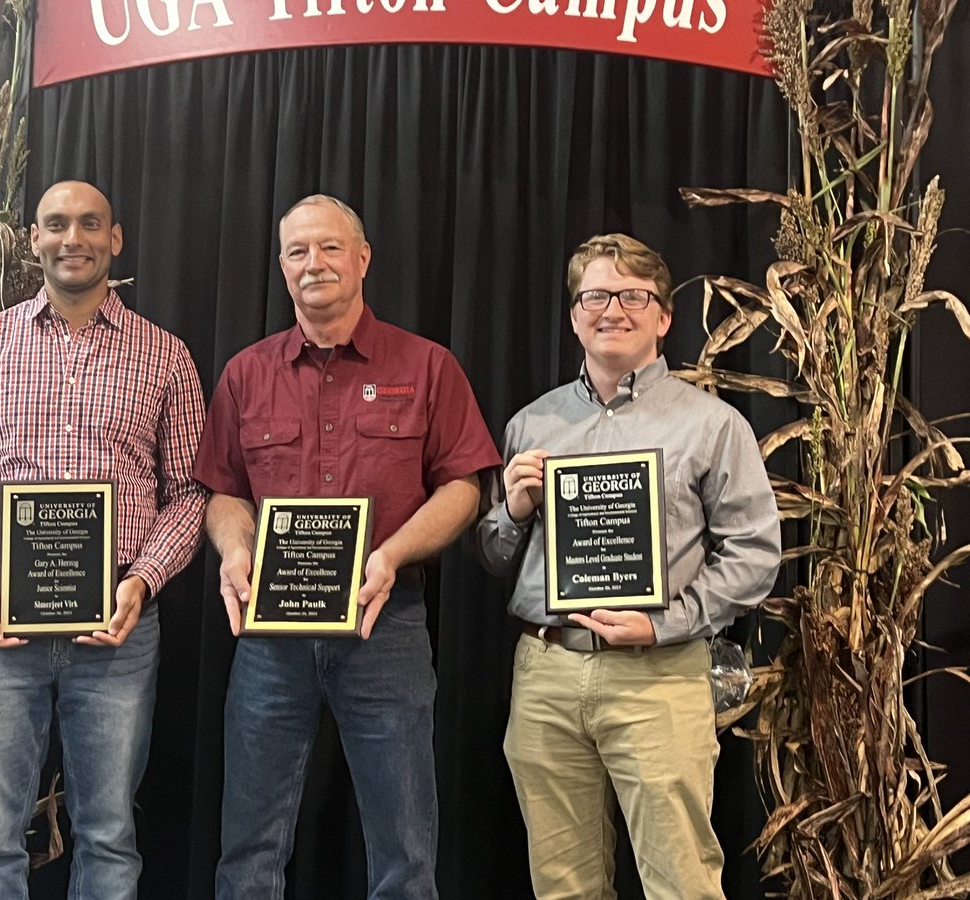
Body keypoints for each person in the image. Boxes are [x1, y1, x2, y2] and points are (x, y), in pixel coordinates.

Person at [0, 180, 207, 899]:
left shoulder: (166, 358)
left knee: (109, 836)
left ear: (116, 240)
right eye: (58, 225)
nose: (74, 238)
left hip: (118, 630)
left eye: (90, 224)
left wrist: (143, 581)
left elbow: (192, 492)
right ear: (34, 240)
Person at [193, 194, 501, 898]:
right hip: (271, 635)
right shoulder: (246, 373)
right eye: (298, 251)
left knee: (405, 848)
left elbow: (463, 487)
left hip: (384, 627)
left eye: (330, 247)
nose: (314, 263)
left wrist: (389, 557)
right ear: (281, 266)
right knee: (248, 848)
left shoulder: (427, 365)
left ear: (362, 259)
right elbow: (225, 490)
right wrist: (235, 553)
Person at [475, 233, 781, 899]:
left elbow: (755, 555)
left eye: (632, 295)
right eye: (594, 295)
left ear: (663, 316)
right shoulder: (532, 423)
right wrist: (516, 508)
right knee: (563, 887)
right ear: (575, 312)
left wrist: (664, 623)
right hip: (547, 673)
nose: (611, 309)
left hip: (659, 675)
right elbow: (495, 556)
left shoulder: (712, 425)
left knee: (681, 882)